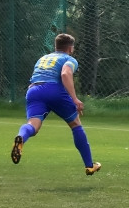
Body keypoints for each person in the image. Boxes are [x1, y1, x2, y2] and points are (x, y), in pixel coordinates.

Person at [11, 33, 101, 176]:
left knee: (33, 125)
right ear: (71, 49)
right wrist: (75, 99)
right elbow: (65, 74)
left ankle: (21, 137)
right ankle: (89, 165)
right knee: (76, 125)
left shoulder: (43, 58)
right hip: (54, 90)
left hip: (34, 90)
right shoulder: (69, 59)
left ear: (56, 46)